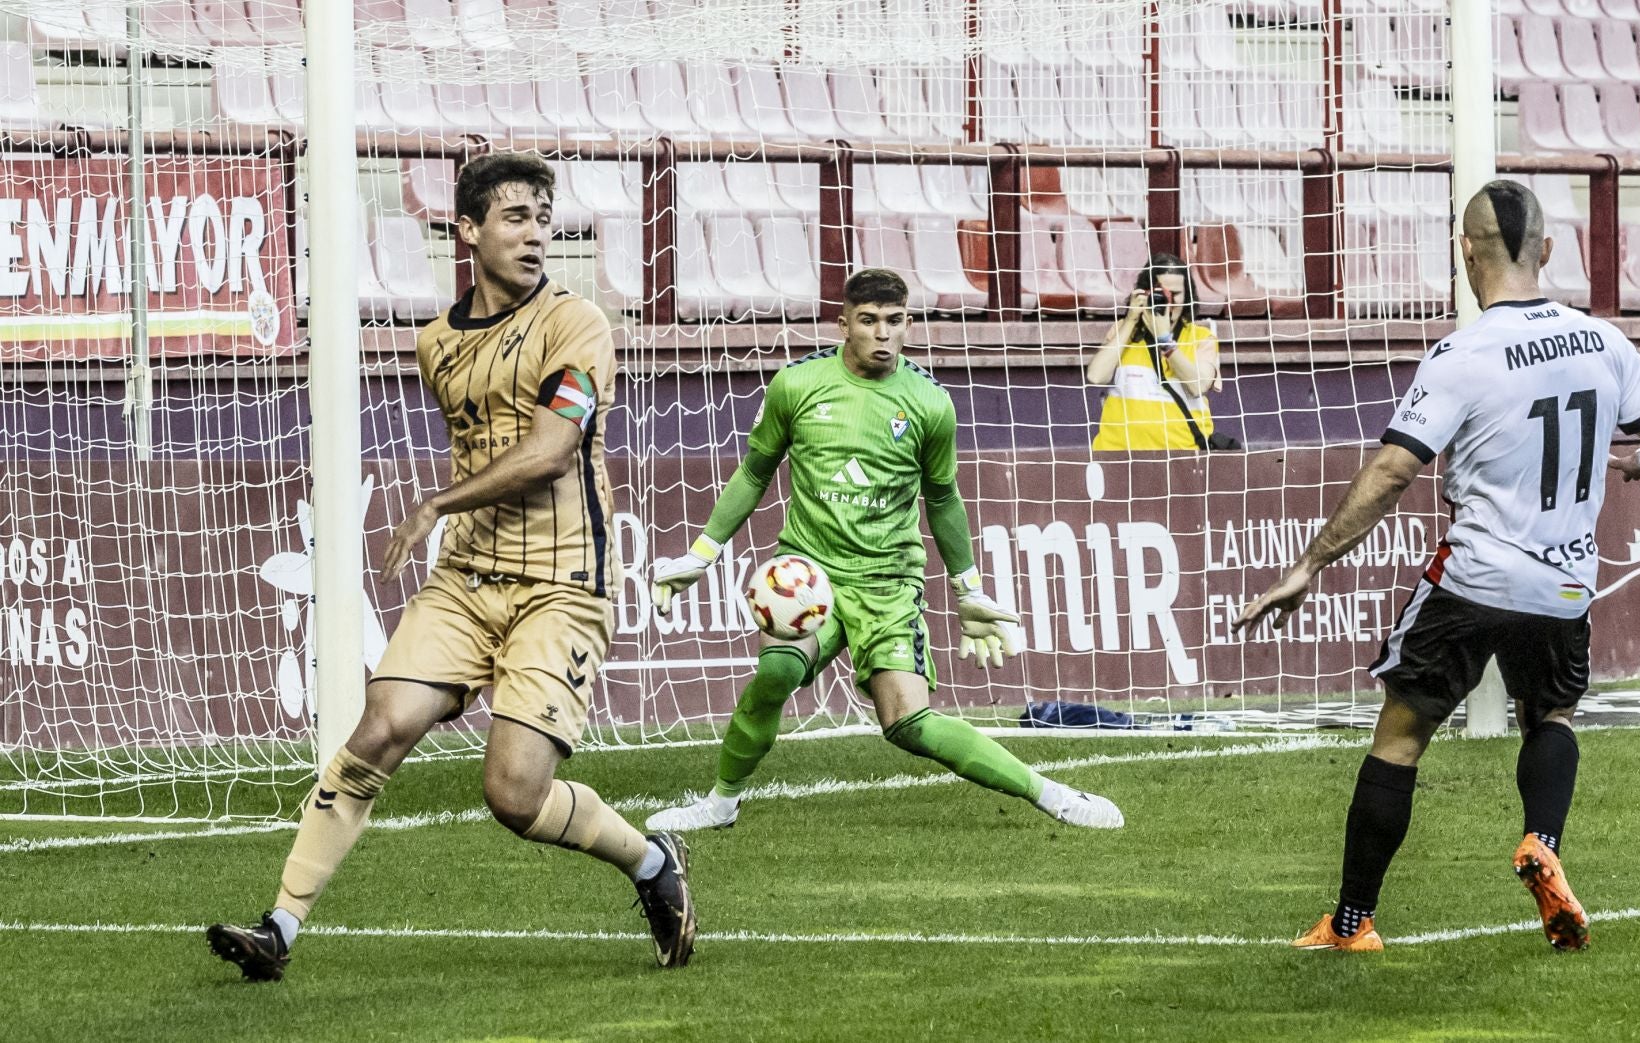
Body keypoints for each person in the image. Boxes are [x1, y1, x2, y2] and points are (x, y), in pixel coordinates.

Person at [207, 154, 695, 981]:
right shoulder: (437, 344)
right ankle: (280, 927)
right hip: (468, 579)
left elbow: (551, 449)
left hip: (563, 580)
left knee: (513, 795)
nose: (537, 232)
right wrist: (455, 523)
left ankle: (652, 863)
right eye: (515, 217)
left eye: (544, 216)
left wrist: (436, 505)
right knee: (376, 732)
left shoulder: (578, 325)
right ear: (466, 230)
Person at [1234, 180, 1640, 953]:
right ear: (1546, 251)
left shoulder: (1461, 355)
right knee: (1548, 717)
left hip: (1477, 576)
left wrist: (1309, 564)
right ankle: (1542, 839)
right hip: (1563, 584)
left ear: (1465, 254)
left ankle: (1351, 923)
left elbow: (1390, 473)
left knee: (1401, 738)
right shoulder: (1602, 342)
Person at [646, 268, 1123, 833]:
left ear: (908, 324)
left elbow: (943, 499)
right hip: (808, 574)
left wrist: (969, 589)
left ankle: (1053, 795)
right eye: (868, 321)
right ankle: (720, 803)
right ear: (842, 323)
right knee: (776, 671)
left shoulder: (929, 403)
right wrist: (701, 554)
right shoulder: (797, 385)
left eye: (894, 321)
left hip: (889, 585)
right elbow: (754, 472)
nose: (882, 334)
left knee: (909, 725)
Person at [1085, 254, 1224, 451]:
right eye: (1162, 294)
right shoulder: (1123, 332)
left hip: (1181, 457)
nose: (1169, 302)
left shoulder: (1201, 337)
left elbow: (1198, 385)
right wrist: (1131, 320)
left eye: (1175, 294)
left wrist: (1165, 340)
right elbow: (1096, 376)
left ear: (1187, 297)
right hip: (1118, 455)